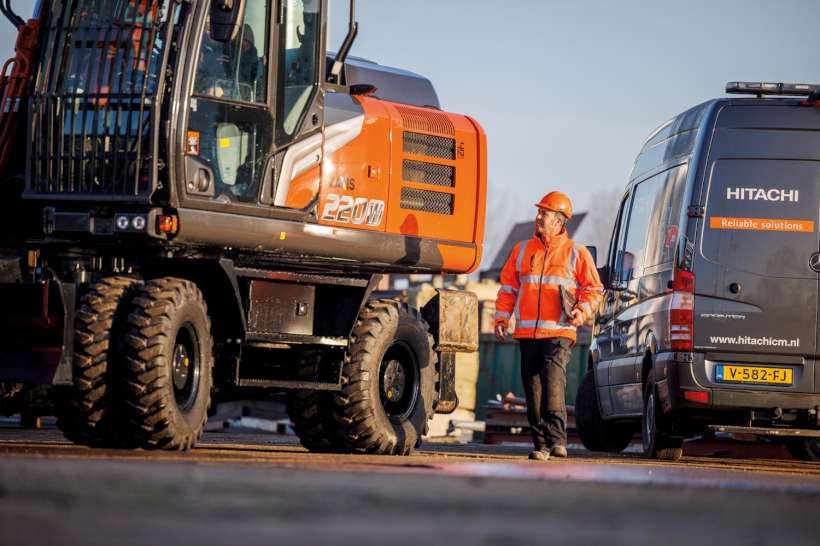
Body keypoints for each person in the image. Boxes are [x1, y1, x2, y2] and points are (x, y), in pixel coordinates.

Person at [494, 191, 603, 461]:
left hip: (560, 331)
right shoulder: (521, 250)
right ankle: (540, 445)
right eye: (539, 212)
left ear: (559, 221)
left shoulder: (576, 252)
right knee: (533, 390)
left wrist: (582, 311)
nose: (538, 217)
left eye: (544, 213)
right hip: (528, 333)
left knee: (552, 382)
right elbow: (508, 289)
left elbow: (594, 288)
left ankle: (557, 441)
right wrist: (501, 318)